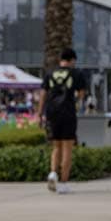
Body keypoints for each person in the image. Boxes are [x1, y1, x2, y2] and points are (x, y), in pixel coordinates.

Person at [41, 48, 87, 194]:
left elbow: (43, 93)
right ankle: (64, 184)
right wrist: (76, 100)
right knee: (67, 148)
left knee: (56, 147)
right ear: (72, 60)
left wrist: (39, 113)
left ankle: (53, 173)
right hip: (67, 112)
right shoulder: (77, 73)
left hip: (52, 113)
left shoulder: (50, 73)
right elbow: (81, 93)